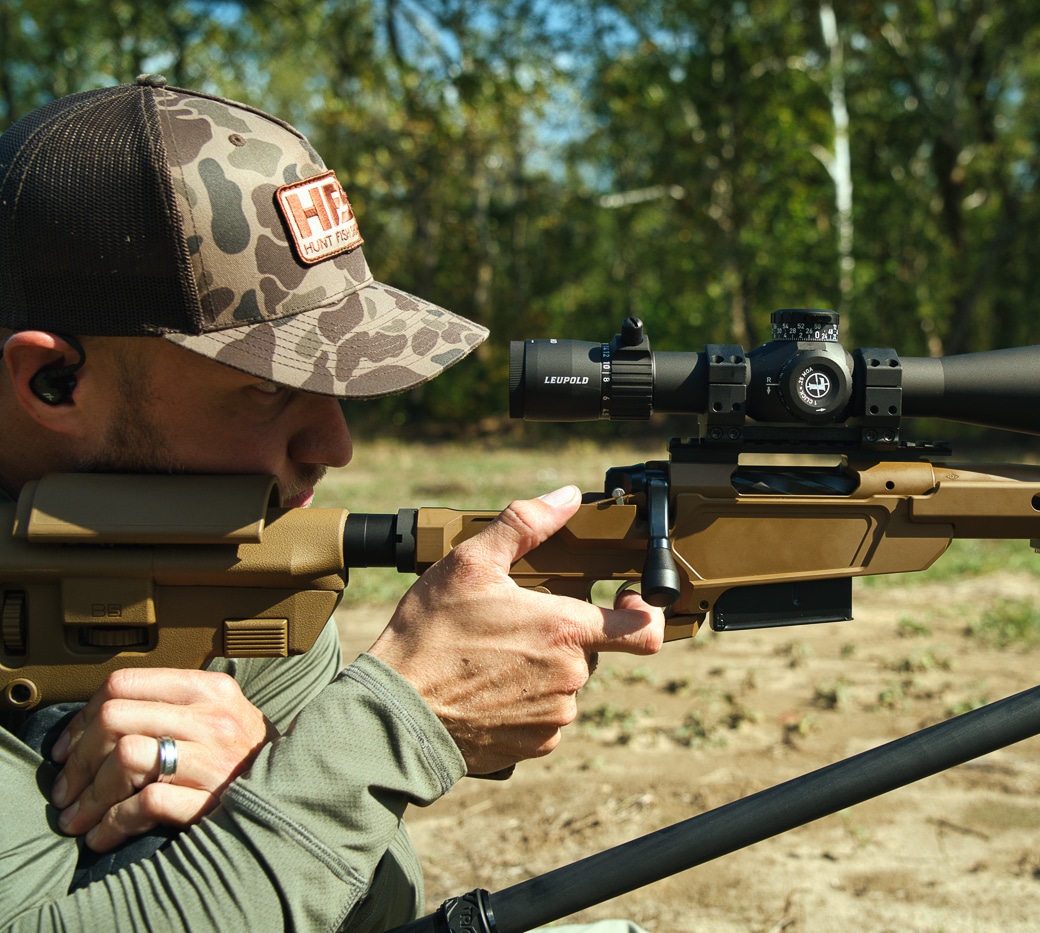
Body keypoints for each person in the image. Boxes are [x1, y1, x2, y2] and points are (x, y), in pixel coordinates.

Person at [0, 76, 665, 931]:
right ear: (54, 381)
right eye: (269, 390)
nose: (336, 445)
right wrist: (390, 727)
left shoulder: (228, 574)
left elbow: (372, 899)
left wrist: (269, 781)